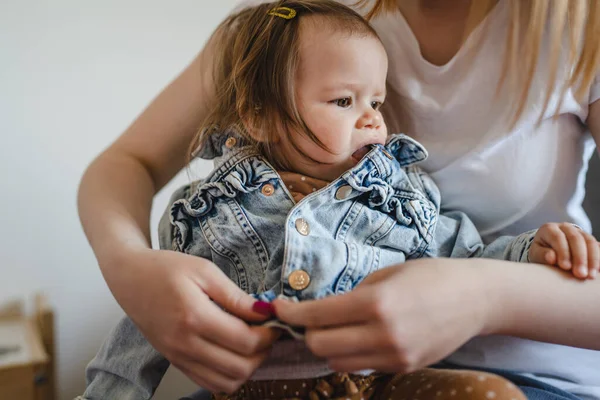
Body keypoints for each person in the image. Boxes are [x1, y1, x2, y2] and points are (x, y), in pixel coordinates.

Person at [76, 0, 600, 399]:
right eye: (346, 102)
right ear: (259, 117)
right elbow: (128, 163)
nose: (374, 117)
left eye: (376, 101)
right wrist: (129, 266)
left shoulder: (577, 25)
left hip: (523, 373)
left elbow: (464, 248)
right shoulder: (282, 29)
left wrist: (491, 293)